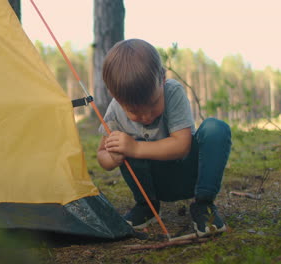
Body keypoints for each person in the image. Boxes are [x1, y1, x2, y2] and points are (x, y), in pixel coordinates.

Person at [97, 39, 232, 236]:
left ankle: (204, 206)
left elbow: (182, 145)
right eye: (134, 111)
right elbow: (102, 154)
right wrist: (112, 158)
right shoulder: (115, 111)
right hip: (153, 184)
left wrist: (135, 148)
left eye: (153, 104)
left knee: (216, 128)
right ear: (116, 98)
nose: (146, 117)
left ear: (162, 79)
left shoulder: (172, 92)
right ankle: (147, 207)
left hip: (189, 174)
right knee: (123, 143)